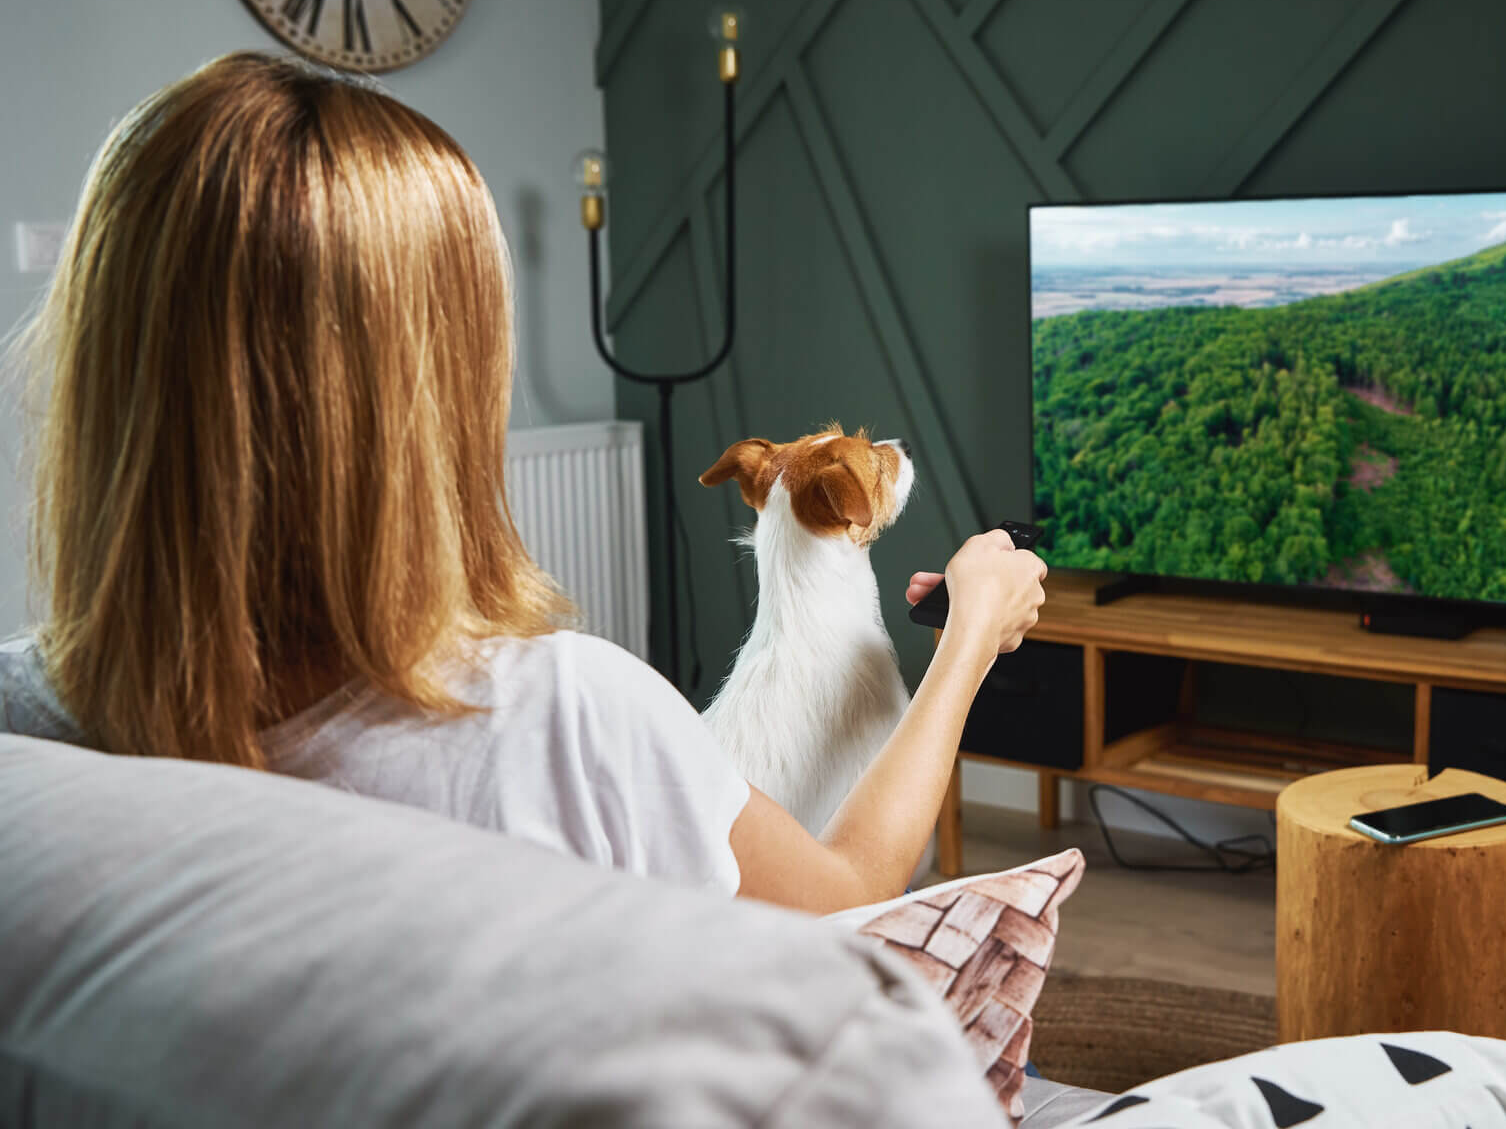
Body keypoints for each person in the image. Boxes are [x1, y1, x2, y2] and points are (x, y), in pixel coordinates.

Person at [0, 51, 1046, 914]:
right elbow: (848, 893)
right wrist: (970, 636)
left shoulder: (20, 720)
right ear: (436, 394)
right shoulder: (568, 720)